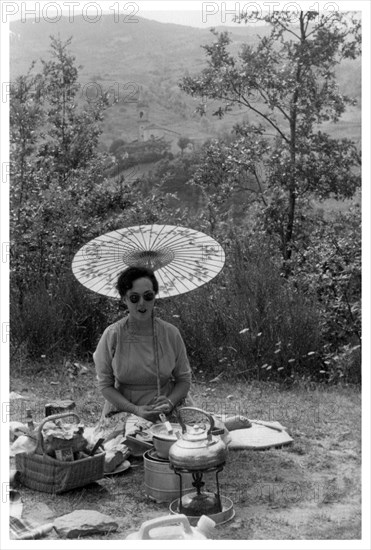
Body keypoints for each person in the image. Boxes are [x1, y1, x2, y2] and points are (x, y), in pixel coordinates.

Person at [93, 266, 192, 426]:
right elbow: (105, 385)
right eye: (134, 297)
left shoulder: (171, 333)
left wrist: (170, 402)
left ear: (154, 297)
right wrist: (135, 410)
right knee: (128, 446)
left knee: (188, 441)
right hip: (124, 409)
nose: (142, 303)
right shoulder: (113, 335)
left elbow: (184, 379)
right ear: (124, 299)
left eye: (148, 296)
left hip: (166, 406)